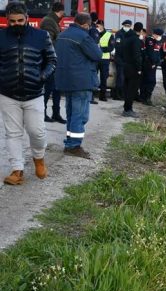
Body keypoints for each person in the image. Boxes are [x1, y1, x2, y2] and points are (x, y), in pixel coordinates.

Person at [0, 2, 56, 185]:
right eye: (12, 21)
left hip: (34, 93)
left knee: (37, 132)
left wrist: (42, 76)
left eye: (20, 20)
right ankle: (17, 170)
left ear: (27, 18)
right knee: (13, 134)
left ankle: (39, 159)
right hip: (7, 93)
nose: (16, 23)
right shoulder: (1, 36)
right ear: (7, 20)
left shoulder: (41, 36)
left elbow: (52, 60)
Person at [54, 12, 102, 159]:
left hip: (65, 79)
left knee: (71, 113)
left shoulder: (63, 34)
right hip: (80, 81)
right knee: (80, 115)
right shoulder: (83, 36)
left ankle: (69, 141)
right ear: (86, 24)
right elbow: (97, 55)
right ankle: (74, 146)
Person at [39, 2, 66, 124]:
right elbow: (48, 42)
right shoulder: (49, 21)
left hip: (55, 59)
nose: (63, 15)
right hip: (50, 60)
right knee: (49, 88)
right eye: (62, 13)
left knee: (56, 88)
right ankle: (43, 113)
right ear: (60, 11)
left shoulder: (53, 21)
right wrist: (61, 45)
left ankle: (56, 113)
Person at [121, 22, 143, 118]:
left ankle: (126, 107)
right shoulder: (136, 40)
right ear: (141, 30)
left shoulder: (126, 38)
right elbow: (137, 55)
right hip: (133, 67)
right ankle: (128, 109)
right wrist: (139, 68)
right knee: (132, 89)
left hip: (125, 65)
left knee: (127, 88)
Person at [138, 28, 163, 106]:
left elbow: (158, 53)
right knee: (150, 81)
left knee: (148, 81)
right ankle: (146, 98)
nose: (160, 37)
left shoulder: (158, 42)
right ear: (155, 34)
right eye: (159, 35)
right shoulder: (150, 40)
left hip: (154, 65)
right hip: (148, 64)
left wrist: (157, 62)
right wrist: (152, 63)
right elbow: (150, 53)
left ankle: (144, 97)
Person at [111, 20, 132, 101]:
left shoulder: (131, 33)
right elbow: (118, 46)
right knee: (120, 77)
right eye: (126, 25)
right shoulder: (119, 33)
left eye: (129, 25)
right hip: (120, 58)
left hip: (127, 59)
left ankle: (122, 93)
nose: (127, 27)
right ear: (123, 25)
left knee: (125, 77)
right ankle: (117, 94)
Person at [97, 19, 114, 101]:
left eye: (99, 26)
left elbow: (111, 47)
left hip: (105, 59)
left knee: (104, 77)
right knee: (93, 76)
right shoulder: (94, 33)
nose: (98, 27)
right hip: (95, 58)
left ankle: (102, 95)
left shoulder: (109, 35)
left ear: (102, 26)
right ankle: (91, 96)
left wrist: (101, 49)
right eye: (96, 26)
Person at [88, 12, 100, 105]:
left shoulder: (86, 28)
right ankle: (90, 97)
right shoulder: (94, 30)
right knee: (92, 77)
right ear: (96, 20)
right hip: (92, 57)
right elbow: (95, 44)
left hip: (85, 56)